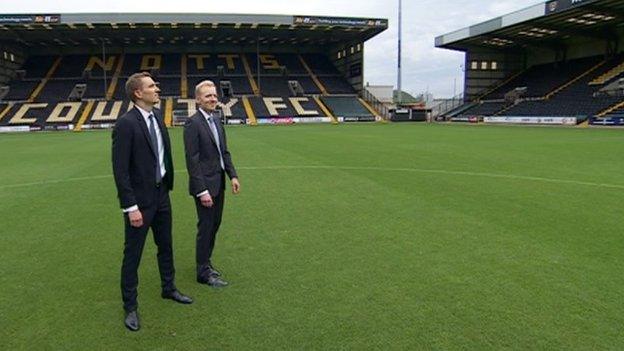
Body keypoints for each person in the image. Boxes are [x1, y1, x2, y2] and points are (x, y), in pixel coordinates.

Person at [112, 72, 193, 332]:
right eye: (151, 86)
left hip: (161, 195)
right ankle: (130, 307)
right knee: (132, 254)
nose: (157, 89)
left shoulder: (158, 116)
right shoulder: (126, 124)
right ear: (138, 93)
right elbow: (120, 170)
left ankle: (168, 288)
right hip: (139, 202)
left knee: (166, 246)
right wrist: (130, 206)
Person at [183, 80, 240, 288]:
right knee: (206, 227)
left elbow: (224, 152)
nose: (213, 99)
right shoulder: (192, 123)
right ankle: (202, 272)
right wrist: (201, 190)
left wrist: (232, 175)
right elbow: (192, 160)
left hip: (219, 183)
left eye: (214, 95)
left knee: (214, 225)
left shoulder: (217, 120)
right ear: (198, 99)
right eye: (208, 96)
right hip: (205, 187)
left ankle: (206, 263)